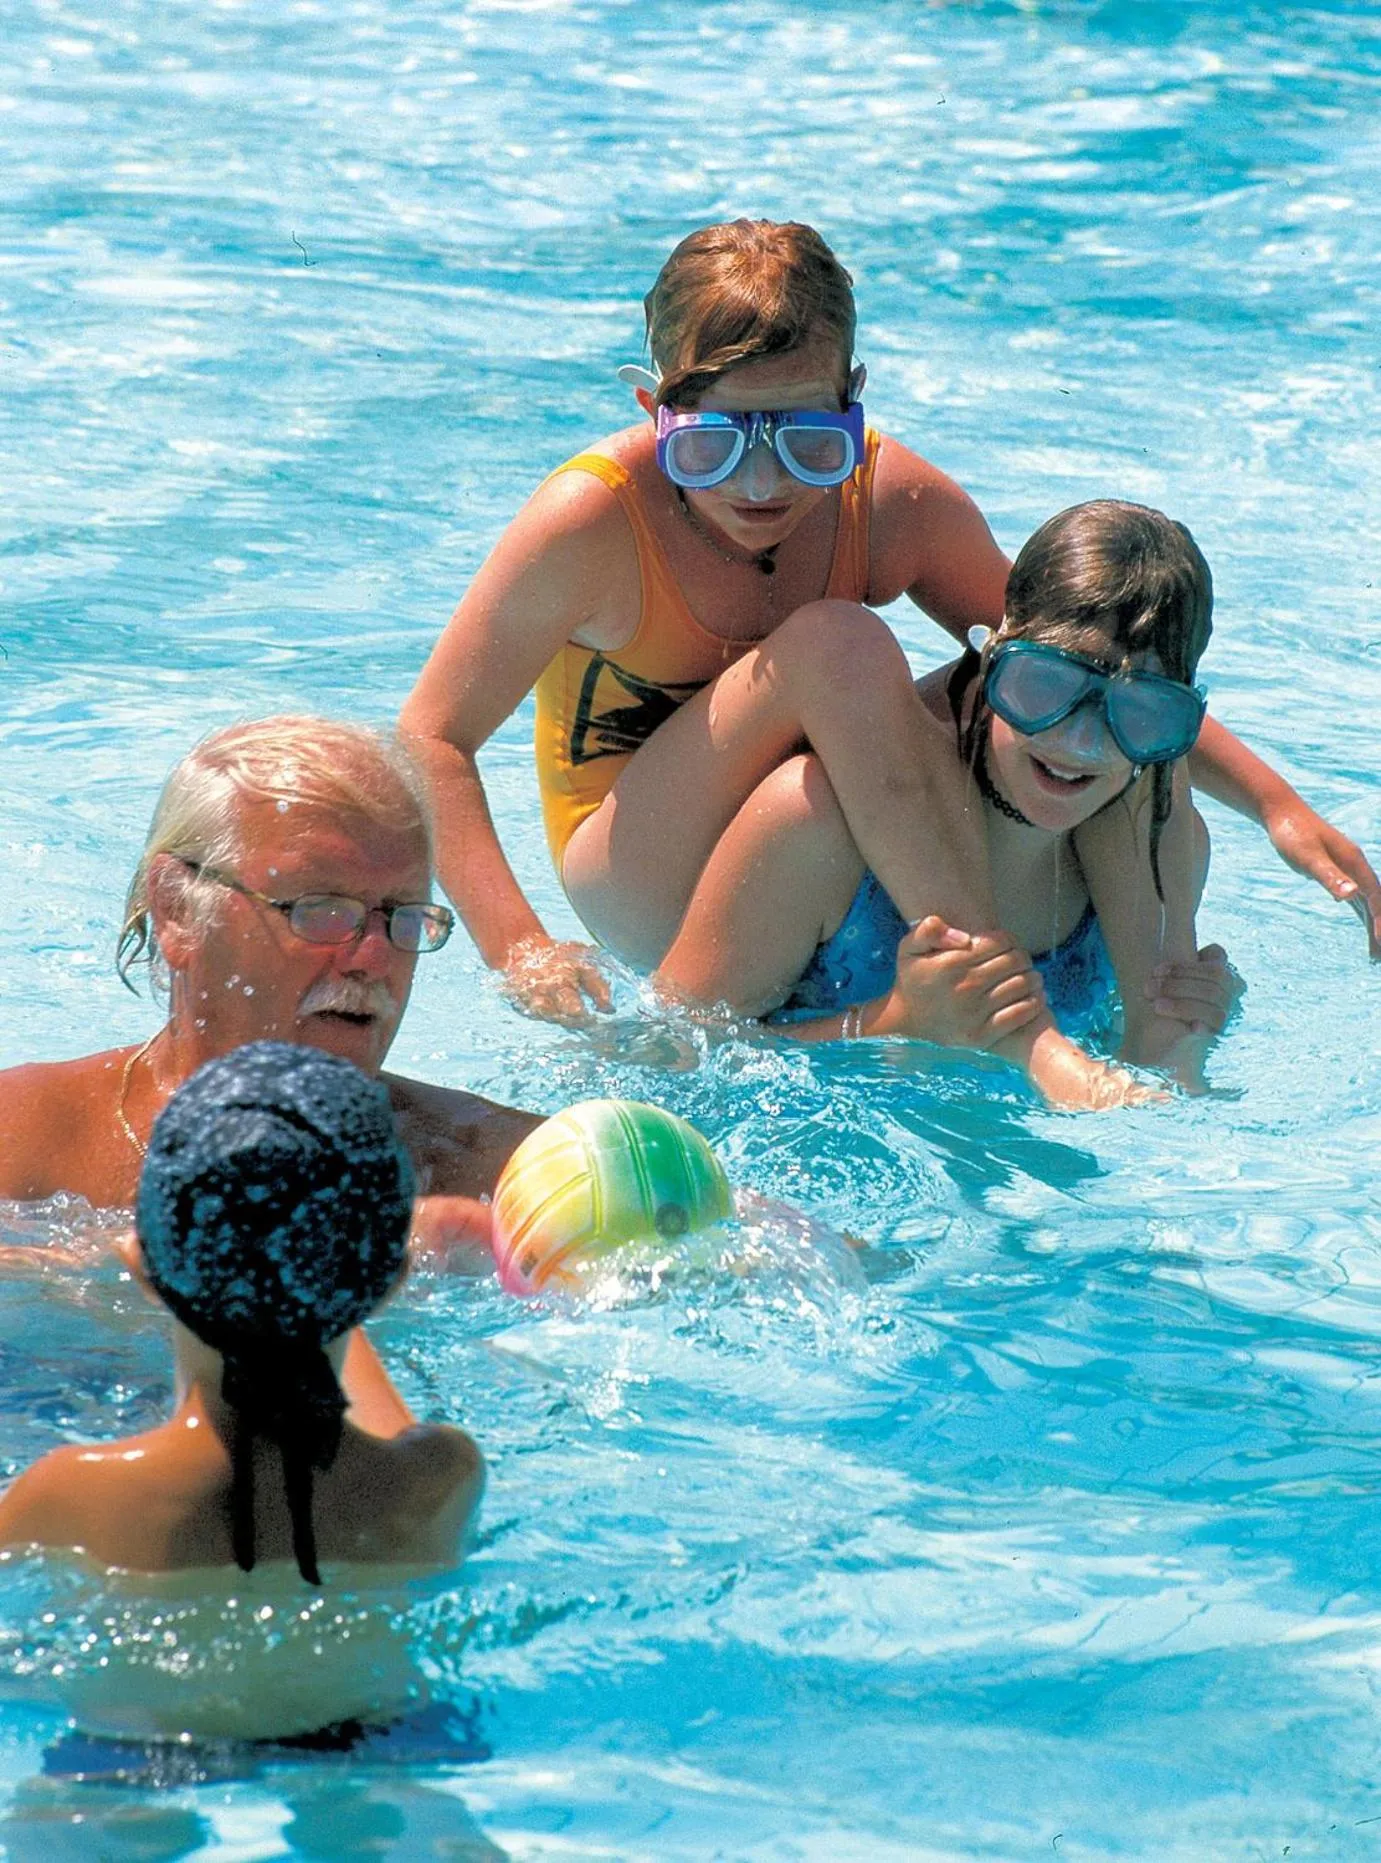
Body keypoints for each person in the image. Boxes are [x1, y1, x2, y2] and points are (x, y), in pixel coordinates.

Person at [399, 217, 1379, 1065]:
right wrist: (517, 947)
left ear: (852, 401)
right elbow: (429, 737)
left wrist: (1274, 806)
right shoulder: (593, 523)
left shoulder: (889, 501)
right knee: (839, 644)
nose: (759, 486)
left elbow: (1073, 663)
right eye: (711, 445)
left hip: (824, 819)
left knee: (1069, 693)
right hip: (648, 868)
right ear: (654, 412)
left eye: (809, 444)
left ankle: (1155, 1014)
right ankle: (1013, 1019)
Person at [658, 501, 1231, 1102]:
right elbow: (666, 1052)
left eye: (1139, 712)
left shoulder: (1160, 850)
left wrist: (1197, 1024)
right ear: (995, 651)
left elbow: (1134, 1082)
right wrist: (893, 1025)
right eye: (1047, 685)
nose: (1080, 743)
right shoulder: (816, 822)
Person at [0, 716, 539, 1254]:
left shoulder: (495, 1171)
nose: (374, 957)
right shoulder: (22, 1141)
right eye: (323, 908)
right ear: (178, 910)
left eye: (403, 915)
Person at [0, 1041, 483, 1581]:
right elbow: (377, 1409)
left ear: (143, 1265)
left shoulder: (72, 1494)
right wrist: (356, 1258)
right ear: (391, 1279)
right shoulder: (442, 1477)